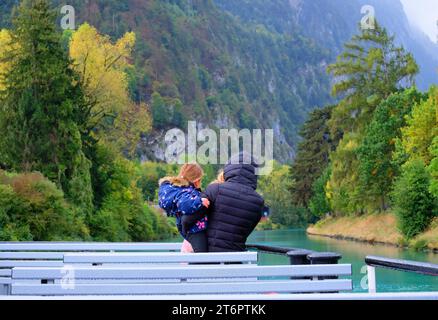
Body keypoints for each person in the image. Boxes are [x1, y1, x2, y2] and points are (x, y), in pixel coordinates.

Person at [204, 152, 265, 252]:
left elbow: (193, 216)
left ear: (229, 168)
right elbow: (247, 230)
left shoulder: (215, 190)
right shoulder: (258, 201)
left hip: (207, 257)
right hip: (235, 259)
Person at [158, 163, 210, 252]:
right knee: (202, 255)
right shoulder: (186, 191)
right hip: (195, 229)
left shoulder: (175, 188)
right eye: (200, 179)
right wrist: (200, 201)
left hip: (186, 226)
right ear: (196, 180)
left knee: (197, 254)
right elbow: (184, 203)